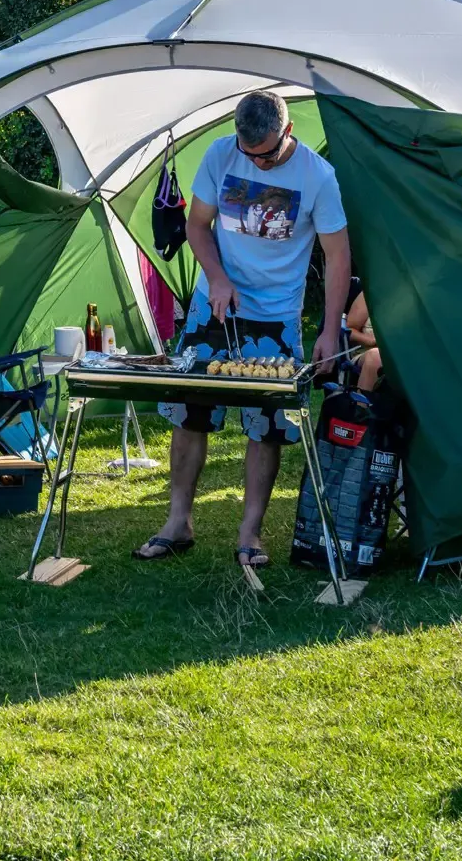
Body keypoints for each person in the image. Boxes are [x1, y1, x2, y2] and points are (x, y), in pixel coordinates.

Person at [133, 90, 351, 569]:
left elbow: (338, 256)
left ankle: (250, 532)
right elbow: (196, 226)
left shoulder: (318, 176)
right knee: (189, 413)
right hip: (214, 308)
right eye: (251, 154)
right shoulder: (219, 155)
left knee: (266, 425)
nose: (260, 163)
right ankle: (178, 523)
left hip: (276, 315)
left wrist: (331, 328)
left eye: (269, 154)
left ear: (287, 132)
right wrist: (216, 276)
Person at [346, 290, 382, 392]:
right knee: (376, 356)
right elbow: (349, 330)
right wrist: (370, 340)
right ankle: (361, 406)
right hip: (370, 351)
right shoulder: (371, 291)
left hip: (407, 354)